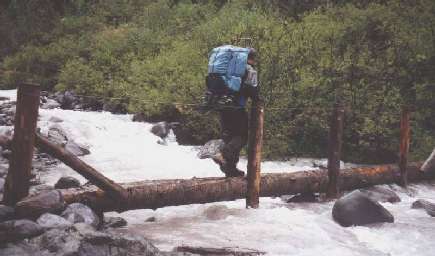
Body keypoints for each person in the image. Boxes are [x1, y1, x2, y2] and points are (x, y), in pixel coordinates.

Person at [213, 48, 260, 177]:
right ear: (251, 58)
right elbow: (253, 91)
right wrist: (258, 100)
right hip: (236, 108)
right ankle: (223, 154)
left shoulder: (228, 68)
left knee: (229, 136)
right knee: (241, 136)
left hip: (222, 106)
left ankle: (230, 169)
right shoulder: (250, 70)